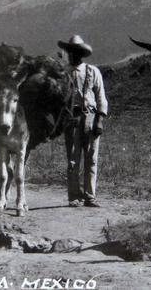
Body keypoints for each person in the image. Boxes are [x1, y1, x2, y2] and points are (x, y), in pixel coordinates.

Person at [58, 34, 108, 208]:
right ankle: (74, 196)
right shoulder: (63, 73)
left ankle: (90, 196)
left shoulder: (93, 71)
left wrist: (100, 119)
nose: (73, 54)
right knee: (73, 159)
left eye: (76, 51)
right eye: (70, 51)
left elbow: (101, 97)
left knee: (91, 158)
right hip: (71, 118)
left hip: (91, 117)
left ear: (82, 53)